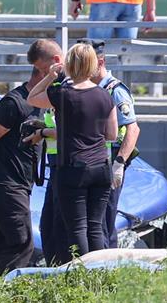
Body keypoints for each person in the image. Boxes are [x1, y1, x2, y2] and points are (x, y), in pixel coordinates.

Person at [28, 44, 118, 261]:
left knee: (77, 228)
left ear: (67, 65)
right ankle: (101, 275)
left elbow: (32, 97)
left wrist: (50, 76)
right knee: (96, 227)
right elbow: (112, 134)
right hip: (101, 168)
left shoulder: (62, 94)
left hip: (73, 169)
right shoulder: (105, 95)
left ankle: (83, 278)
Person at [0, 65, 41, 274]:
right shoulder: (15, 103)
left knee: (5, 243)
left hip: (20, 185)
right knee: (21, 243)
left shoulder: (42, 103)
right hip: (5, 184)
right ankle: (8, 295)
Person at [79, 38, 140, 249]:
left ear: (100, 61)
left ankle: (107, 268)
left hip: (110, 162)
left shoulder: (114, 90)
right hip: (93, 162)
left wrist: (119, 164)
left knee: (103, 220)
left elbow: (132, 129)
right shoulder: (83, 89)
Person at [23, 39, 67, 265]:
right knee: (49, 226)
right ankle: (54, 269)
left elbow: (74, 128)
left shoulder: (68, 86)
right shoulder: (59, 86)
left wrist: (45, 133)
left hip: (71, 165)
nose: (40, 75)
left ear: (56, 62)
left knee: (65, 226)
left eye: (42, 70)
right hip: (57, 164)